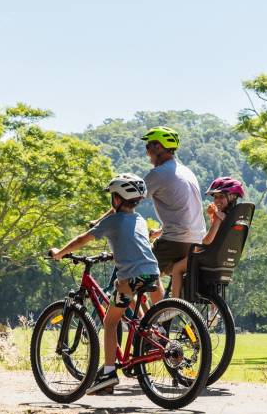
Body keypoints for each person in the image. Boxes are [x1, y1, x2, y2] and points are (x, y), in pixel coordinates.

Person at [49, 173, 160, 394]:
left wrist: (60, 253)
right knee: (126, 296)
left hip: (132, 276)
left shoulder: (111, 221)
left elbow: (82, 239)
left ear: (117, 199)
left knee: (110, 323)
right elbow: (135, 242)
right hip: (152, 273)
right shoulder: (139, 219)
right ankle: (151, 334)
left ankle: (109, 373)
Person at [141, 126, 207, 300]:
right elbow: (184, 212)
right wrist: (161, 231)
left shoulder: (158, 173)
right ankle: (161, 315)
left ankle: (155, 320)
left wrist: (99, 222)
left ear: (159, 148)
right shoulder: (187, 171)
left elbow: (127, 200)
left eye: (149, 146)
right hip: (197, 241)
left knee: (141, 270)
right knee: (152, 272)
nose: (147, 151)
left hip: (176, 242)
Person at [170, 176, 246, 289]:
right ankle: (215, 306)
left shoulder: (218, 217)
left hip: (208, 259)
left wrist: (214, 219)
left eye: (221, 197)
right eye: (215, 197)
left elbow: (207, 240)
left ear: (232, 197)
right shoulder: (233, 218)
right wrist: (213, 216)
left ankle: (174, 304)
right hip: (224, 259)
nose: (217, 201)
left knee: (177, 268)